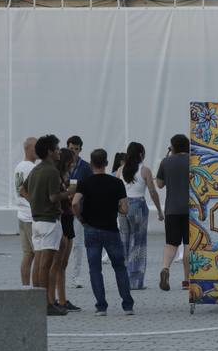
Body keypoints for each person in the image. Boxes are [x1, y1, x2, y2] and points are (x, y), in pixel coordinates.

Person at [72, 148, 135, 316]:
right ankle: (127, 305)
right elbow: (124, 208)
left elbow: (75, 203)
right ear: (106, 163)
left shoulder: (84, 182)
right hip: (111, 230)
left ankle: (101, 306)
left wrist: (81, 219)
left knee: (95, 269)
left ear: (92, 164)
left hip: (91, 229)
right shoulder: (116, 183)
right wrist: (117, 209)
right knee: (119, 267)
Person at [24, 134, 71, 315]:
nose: (59, 151)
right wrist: (68, 193)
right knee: (46, 263)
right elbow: (53, 197)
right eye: (57, 148)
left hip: (36, 220)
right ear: (50, 151)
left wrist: (35, 202)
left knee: (38, 262)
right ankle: (46, 304)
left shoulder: (36, 170)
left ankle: (38, 300)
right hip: (50, 221)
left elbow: (23, 189)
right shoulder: (51, 171)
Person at [118, 142, 161, 289]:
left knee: (124, 241)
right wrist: (159, 211)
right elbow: (153, 192)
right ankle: (135, 281)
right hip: (138, 206)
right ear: (141, 154)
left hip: (123, 206)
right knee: (138, 243)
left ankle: (122, 280)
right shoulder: (144, 170)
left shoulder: (120, 170)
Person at [155, 134, 192, 292]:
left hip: (171, 210)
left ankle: (165, 269)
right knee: (188, 244)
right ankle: (187, 281)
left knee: (171, 243)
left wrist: (167, 156)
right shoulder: (194, 160)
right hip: (191, 209)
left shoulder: (166, 162)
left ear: (173, 147)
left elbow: (160, 184)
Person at [52, 144, 81, 312]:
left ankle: (62, 299)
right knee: (57, 263)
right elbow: (55, 197)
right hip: (62, 218)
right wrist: (69, 191)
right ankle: (54, 298)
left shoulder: (65, 176)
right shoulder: (56, 176)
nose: (73, 165)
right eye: (71, 162)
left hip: (68, 218)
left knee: (64, 263)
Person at [64, 135, 90, 290]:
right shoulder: (61, 166)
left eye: (76, 149)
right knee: (62, 243)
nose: (73, 151)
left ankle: (76, 276)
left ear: (80, 150)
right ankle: (61, 272)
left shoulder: (85, 167)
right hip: (63, 209)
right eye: (71, 148)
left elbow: (90, 187)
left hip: (78, 209)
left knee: (78, 244)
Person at [14, 136, 38, 289]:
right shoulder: (31, 168)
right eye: (36, 148)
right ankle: (38, 290)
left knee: (27, 254)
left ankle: (25, 288)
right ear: (28, 148)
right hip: (31, 215)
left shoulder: (18, 166)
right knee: (39, 256)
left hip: (21, 214)